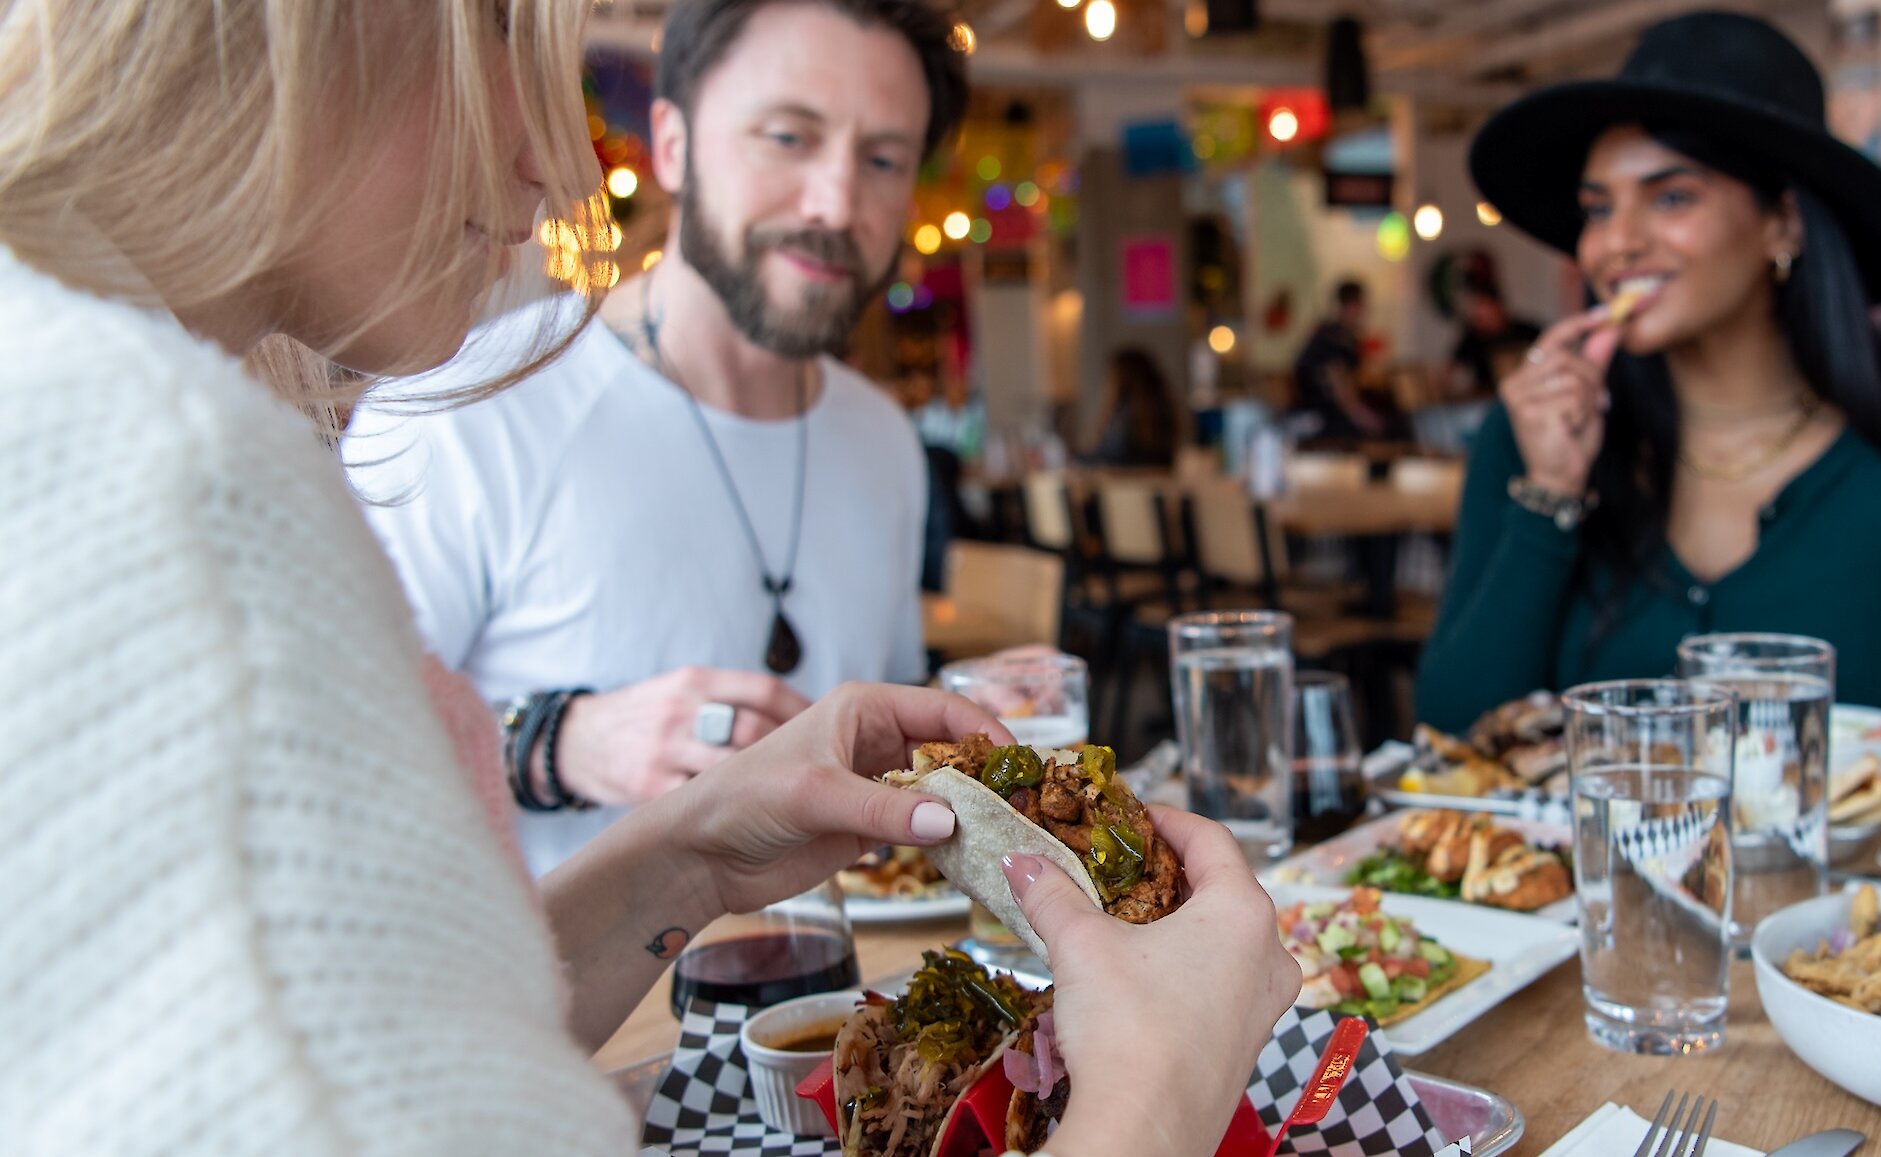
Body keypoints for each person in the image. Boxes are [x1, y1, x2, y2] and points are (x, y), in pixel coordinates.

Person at [0, 4, 1297, 1155]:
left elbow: (409, 1014)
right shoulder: (186, 491)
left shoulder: (880, 443)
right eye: (503, 30)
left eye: (885, 157)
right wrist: (1166, 1086)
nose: (553, 157)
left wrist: (685, 858)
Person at [347, 0, 946, 876]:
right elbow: (327, 764)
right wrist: (560, 742)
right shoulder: (460, 406)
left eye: (884, 158)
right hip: (550, 1007)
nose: (836, 201)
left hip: (839, 1002)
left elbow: (885, 758)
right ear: (672, 145)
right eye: (787, 137)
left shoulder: (883, 439)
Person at [1419, 12, 1881, 797]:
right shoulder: (1538, 437)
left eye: (1670, 197)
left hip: (1823, 917)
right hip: (1561, 912)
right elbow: (1453, 734)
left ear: (1785, 220)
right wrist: (1551, 496)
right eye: (1599, 208)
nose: (1615, 244)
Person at [1289, 278, 1386, 441]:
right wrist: (1368, 421)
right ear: (1351, 306)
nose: (1364, 312)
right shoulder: (1333, 340)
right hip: (1318, 419)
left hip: (1321, 414)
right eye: (1361, 306)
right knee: (1388, 430)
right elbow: (1341, 393)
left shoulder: (1336, 335)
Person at [1445, 272, 1543, 403]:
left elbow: (1549, 355)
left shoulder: (1526, 330)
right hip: (1488, 402)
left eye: (1485, 313)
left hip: (1530, 396)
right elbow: (1450, 368)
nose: (1482, 320)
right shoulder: (1472, 337)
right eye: (1478, 316)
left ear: (1498, 306)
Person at [1091, 346, 1180, 467]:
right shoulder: (1163, 406)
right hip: (1157, 479)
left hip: (1130, 480)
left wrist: (1085, 460)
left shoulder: (1125, 412)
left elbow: (1116, 455)